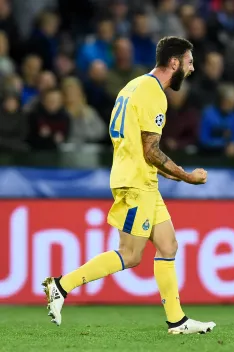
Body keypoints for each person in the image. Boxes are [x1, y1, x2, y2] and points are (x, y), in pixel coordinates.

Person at [42, 36, 216, 335]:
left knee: (168, 244)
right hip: (136, 182)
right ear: (174, 63)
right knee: (130, 254)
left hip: (138, 177)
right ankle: (61, 285)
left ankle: (177, 320)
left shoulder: (133, 85)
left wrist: (170, 173)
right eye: (188, 62)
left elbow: (135, 143)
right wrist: (187, 176)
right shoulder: (154, 94)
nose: (192, 69)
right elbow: (151, 151)